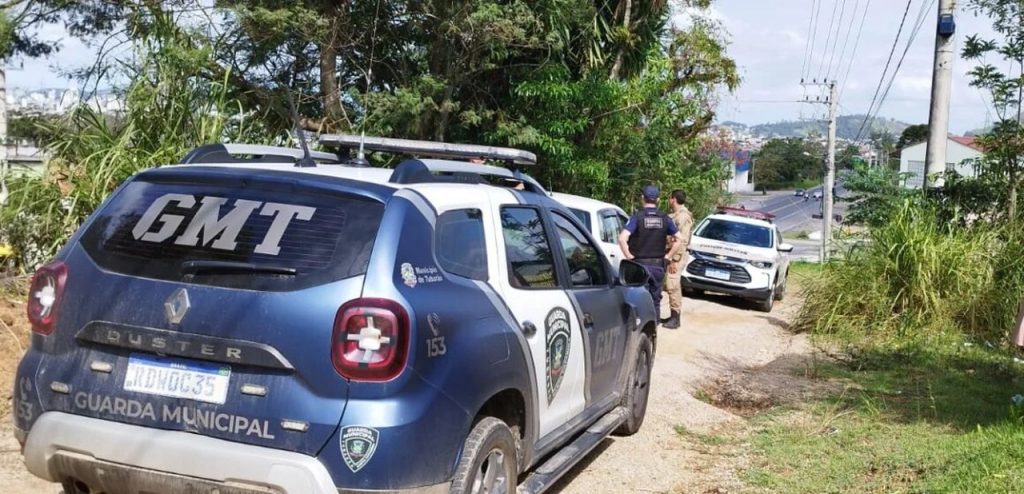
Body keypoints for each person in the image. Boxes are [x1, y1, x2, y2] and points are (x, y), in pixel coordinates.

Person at [618, 185, 685, 325]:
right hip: (658, 266)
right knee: (655, 300)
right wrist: (668, 256)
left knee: (636, 299)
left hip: (639, 266)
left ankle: (637, 328)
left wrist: (629, 256)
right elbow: (679, 239)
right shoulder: (665, 218)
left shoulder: (637, 217)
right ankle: (653, 329)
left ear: (643, 198)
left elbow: (622, 239)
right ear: (658, 200)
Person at [661, 189, 693, 329]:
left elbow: (682, 241)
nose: (669, 201)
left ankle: (675, 317)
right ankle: (672, 315)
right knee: (667, 284)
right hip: (670, 252)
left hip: (677, 254)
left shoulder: (683, 217)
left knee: (672, 284)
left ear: (673, 199)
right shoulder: (675, 215)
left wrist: (674, 259)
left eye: (670, 198)